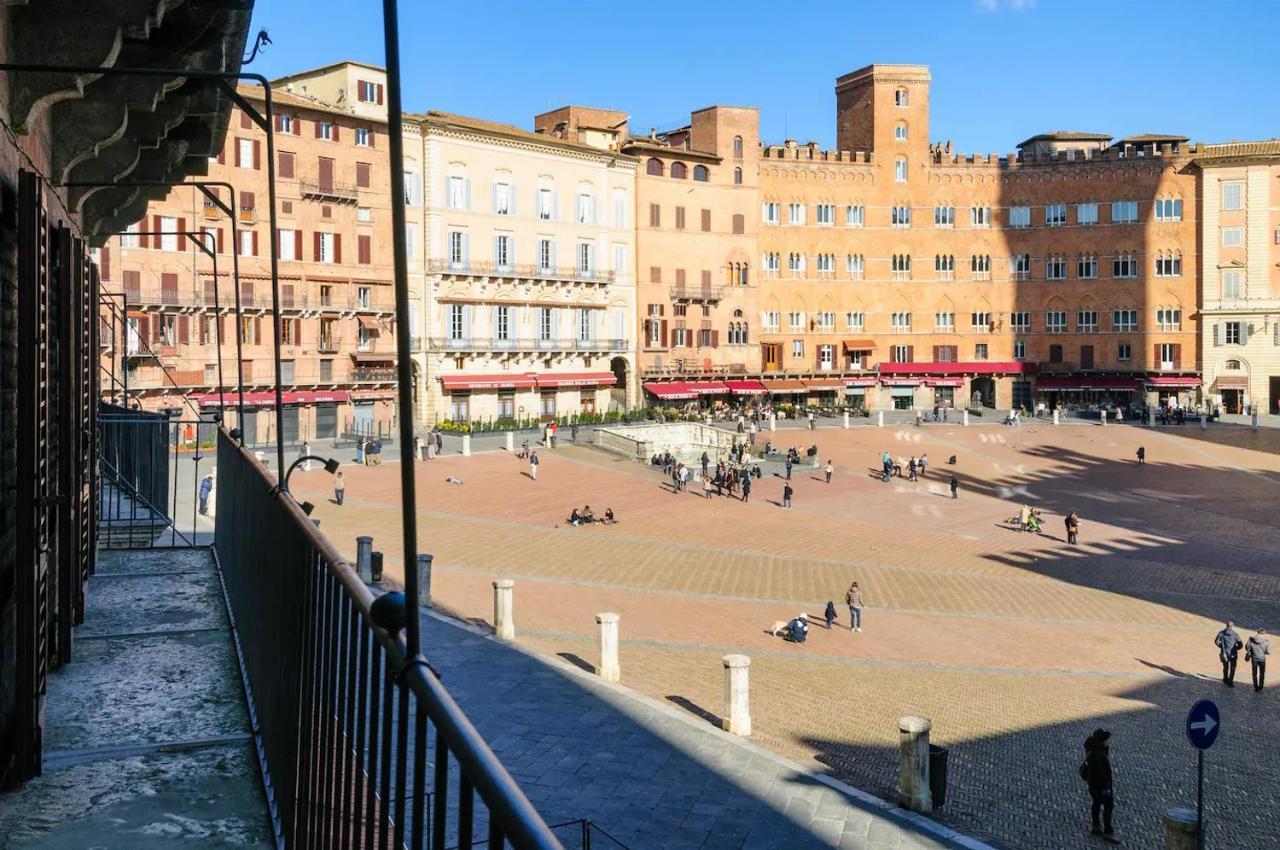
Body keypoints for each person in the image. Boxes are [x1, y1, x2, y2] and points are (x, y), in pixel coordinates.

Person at [1082, 729, 1119, 843]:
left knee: (1096, 803)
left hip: (1093, 785)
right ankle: (1108, 832)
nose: (1108, 743)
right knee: (1108, 806)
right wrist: (1107, 788)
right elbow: (1104, 775)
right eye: (1107, 741)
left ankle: (1096, 825)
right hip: (1101, 787)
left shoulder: (1092, 751)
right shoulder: (1099, 755)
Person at [1216, 621, 1242, 687]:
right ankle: (1230, 681)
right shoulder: (1235, 635)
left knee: (1225, 667)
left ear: (1226, 625)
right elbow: (1241, 645)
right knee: (1233, 668)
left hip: (1224, 653)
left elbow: (1216, 641)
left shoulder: (1221, 633)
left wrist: (1221, 647)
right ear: (1232, 626)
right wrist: (1236, 648)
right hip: (1233, 653)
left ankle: (1225, 678)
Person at [1247, 627, 1270, 691]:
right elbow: (1268, 651)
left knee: (1254, 673)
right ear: (1263, 634)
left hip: (1254, 659)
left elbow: (1247, 648)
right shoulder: (1266, 642)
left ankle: (1256, 687)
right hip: (1262, 659)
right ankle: (1261, 686)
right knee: (1262, 673)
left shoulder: (1252, 640)